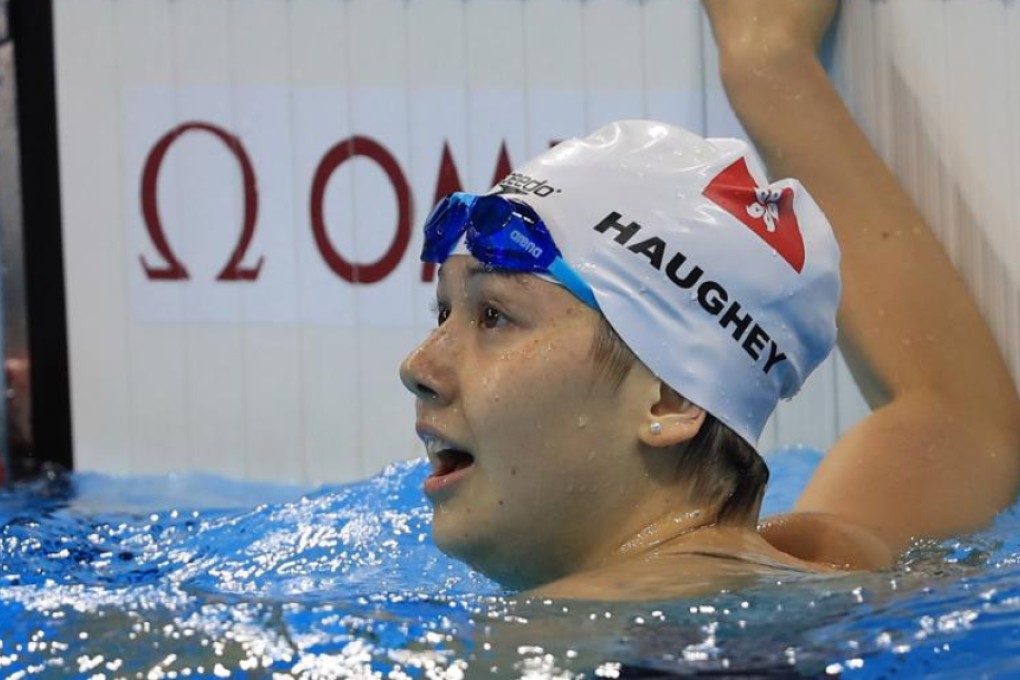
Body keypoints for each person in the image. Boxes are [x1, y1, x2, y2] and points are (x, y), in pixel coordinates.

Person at [398, 0, 1020, 601]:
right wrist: (766, 62)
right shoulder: (830, 560)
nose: (419, 367)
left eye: (495, 316)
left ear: (669, 398)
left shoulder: (556, 638)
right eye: (444, 313)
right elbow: (955, 417)